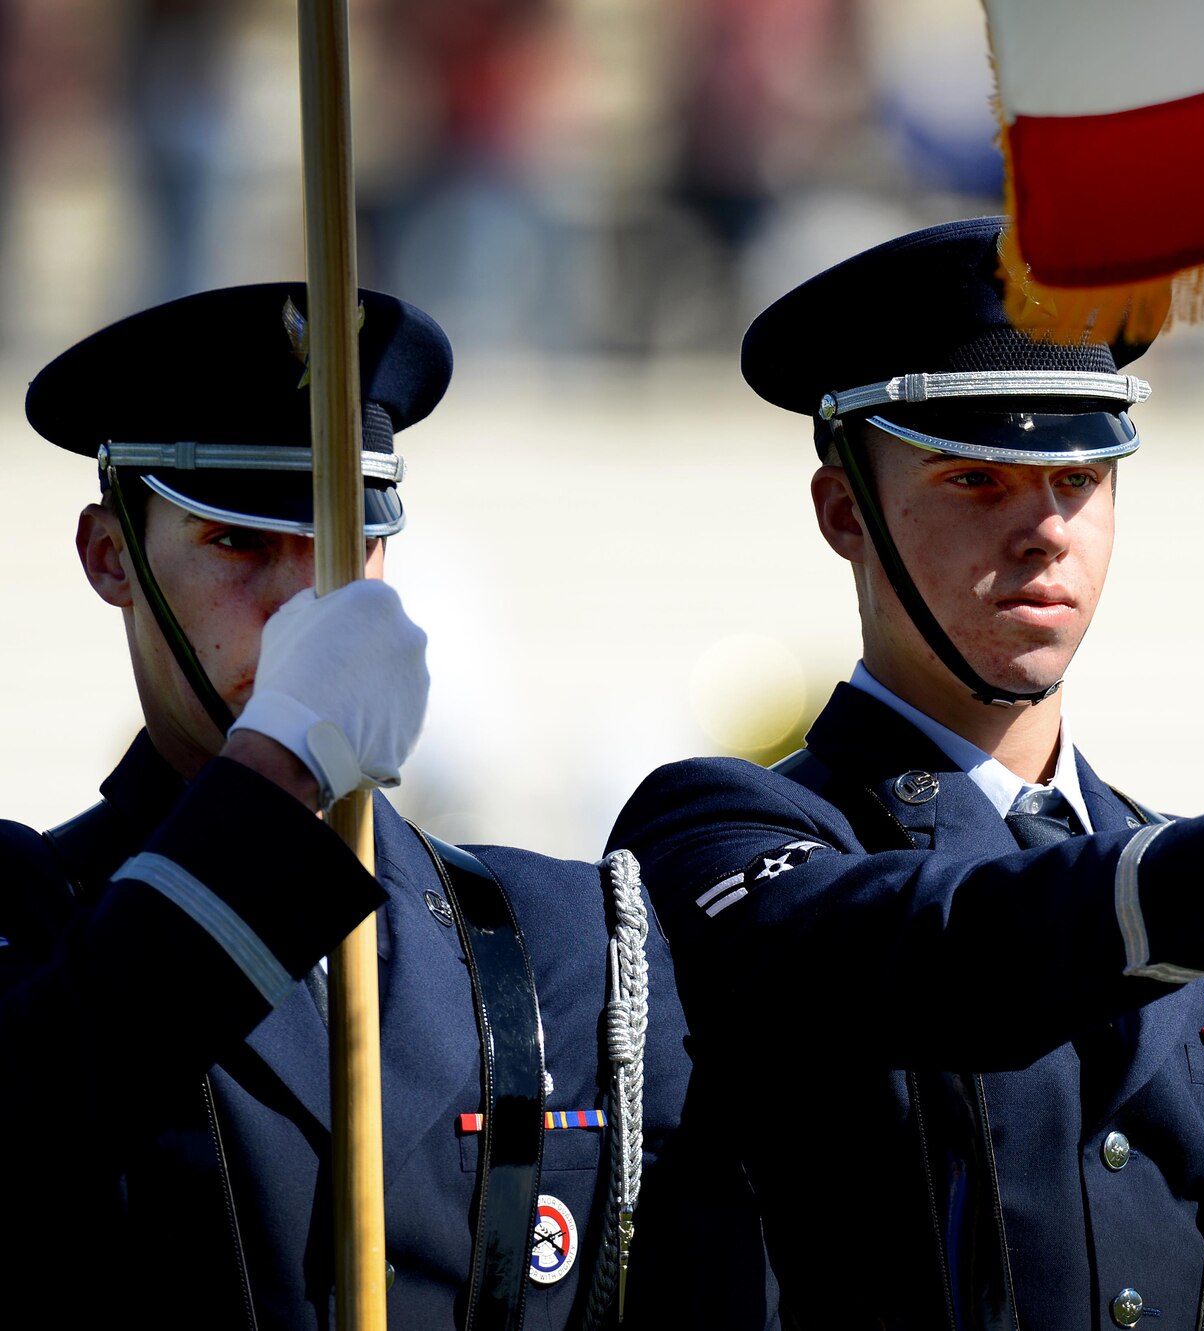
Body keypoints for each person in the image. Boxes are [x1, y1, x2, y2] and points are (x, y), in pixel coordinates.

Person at [607, 217, 1204, 1329]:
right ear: (843, 512)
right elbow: (946, 946)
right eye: (973, 479)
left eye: (1078, 477)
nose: (1044, 528)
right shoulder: (721, 829)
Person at [0, 284, 770, 1329]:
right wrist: (282, 759)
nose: (298, 605)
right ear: (109, 556)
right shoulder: (29, 914)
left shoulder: (571, 939)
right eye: (238, 545)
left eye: (338, 544)